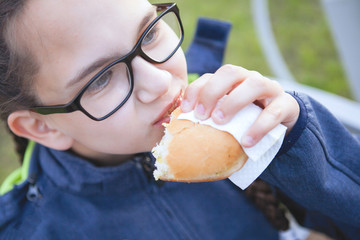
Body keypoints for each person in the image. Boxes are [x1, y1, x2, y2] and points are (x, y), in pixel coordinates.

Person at [0, 0, 358, 239]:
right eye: (101, 79)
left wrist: (301, 142)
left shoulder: (233, 118)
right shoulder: (33, 229)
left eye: (150, 33)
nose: (159, 83)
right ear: (43, 126)